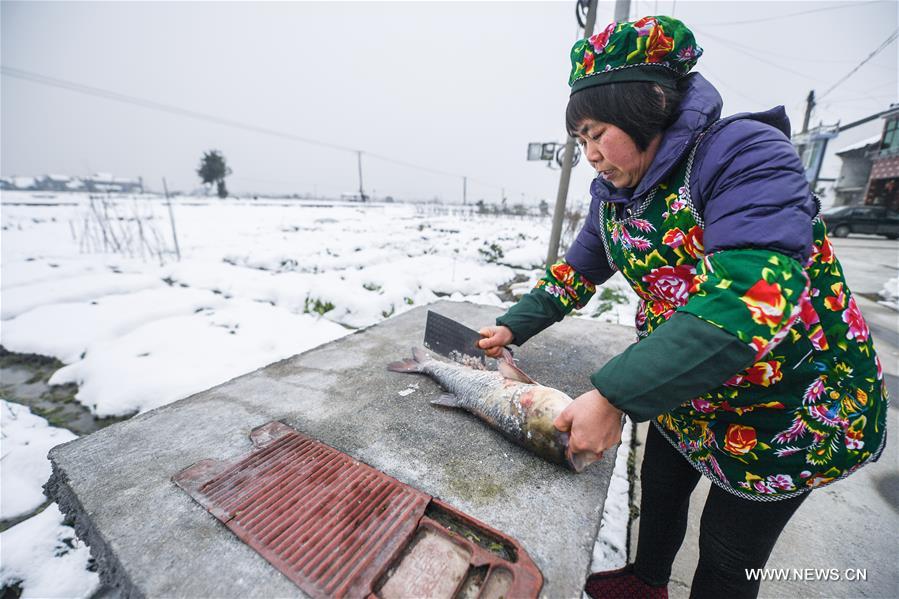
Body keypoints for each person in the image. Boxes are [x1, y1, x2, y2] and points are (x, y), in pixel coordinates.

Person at [478, 15, 888, 599]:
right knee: (663, 486)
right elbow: (574, 274)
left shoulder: (742, 155)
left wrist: (614, 394)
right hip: (682, 381)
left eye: (598, 133)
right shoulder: (616, 199)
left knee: (727, 549)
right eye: (581, 142)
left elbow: (750, 295)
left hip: (789, 397)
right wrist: (511, 326)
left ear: (645, 106)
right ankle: (646, 580)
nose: (591, 155)